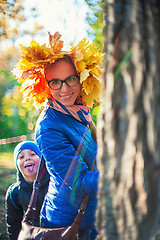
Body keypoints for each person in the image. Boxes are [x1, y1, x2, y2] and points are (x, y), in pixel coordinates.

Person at [12, 32, 104, 240]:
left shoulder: (81, 111)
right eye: (55, 82)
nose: (64, 89)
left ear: (81, 78)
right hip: (68, 224)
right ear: (46, 85)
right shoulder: (49, 125)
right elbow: (79, 182)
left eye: (71, 79)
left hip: (94, 214)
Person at [5, 141, 50, 240]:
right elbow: (13, 226)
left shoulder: (55, 183)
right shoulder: (14, 193)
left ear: (42, 160)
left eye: (33, 154)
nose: (27, 158)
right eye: (21, 157)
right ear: (17, 165)